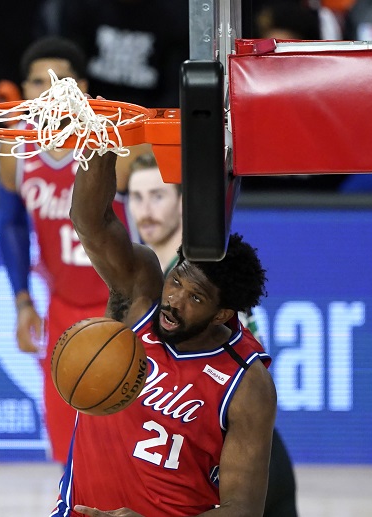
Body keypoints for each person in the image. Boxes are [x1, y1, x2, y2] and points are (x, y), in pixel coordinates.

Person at [54, 145, 276, 515]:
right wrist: (102, 141)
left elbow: (243, 510)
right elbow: (90, 221)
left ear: (222, 314)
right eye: (177, 280)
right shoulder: (139, 296)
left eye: (196, 298)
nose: (174, 299)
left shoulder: (246, 382)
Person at [0, 36, 149, 464]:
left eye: (61, 81)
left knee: (132, 449)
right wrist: (23, 300)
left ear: (81, 87)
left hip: (123, 308)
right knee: (69, 451)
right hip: (62, 307)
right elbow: (9, 224)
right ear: (23, 89)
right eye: (37, 82)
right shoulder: (14, 148)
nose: (49, 91)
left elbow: (160, 222)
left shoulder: (120, 143)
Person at [126, 153, 298, 517]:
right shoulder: (135, 276)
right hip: (154, 439)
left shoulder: (212, 276)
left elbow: (248, 367)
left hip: (219, 443)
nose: (145, 210)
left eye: (157, 196)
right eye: (135, 197)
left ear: (182, 204)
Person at [54, 0, 188, 108]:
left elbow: (177, 88)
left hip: (149, 114)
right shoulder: (82, 6)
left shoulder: (175, 12)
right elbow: (67, 64)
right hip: (89, 108)